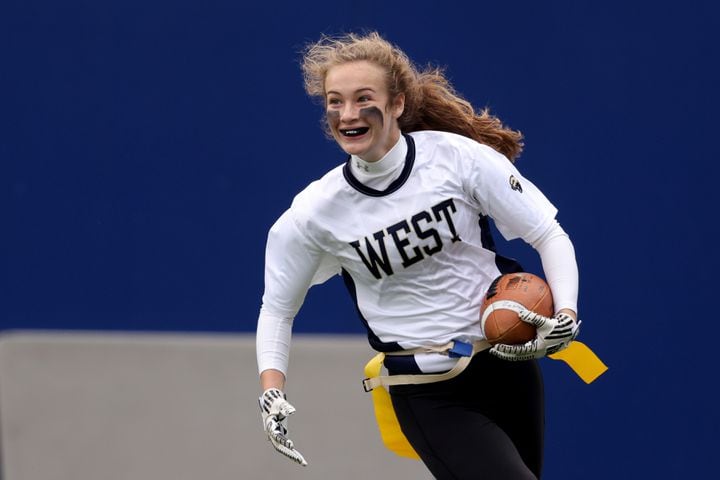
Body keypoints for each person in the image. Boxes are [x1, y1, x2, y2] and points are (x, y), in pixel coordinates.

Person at [256, 31, 580, 479]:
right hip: (429, 391)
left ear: (397, 104)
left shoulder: (457, 159)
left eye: (362, 98)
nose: (347, 114)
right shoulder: (313, 213)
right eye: (335, 101)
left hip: (509, 367)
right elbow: (277, 309)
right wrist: (272, 390)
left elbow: (548, 233)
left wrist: (565, 312)